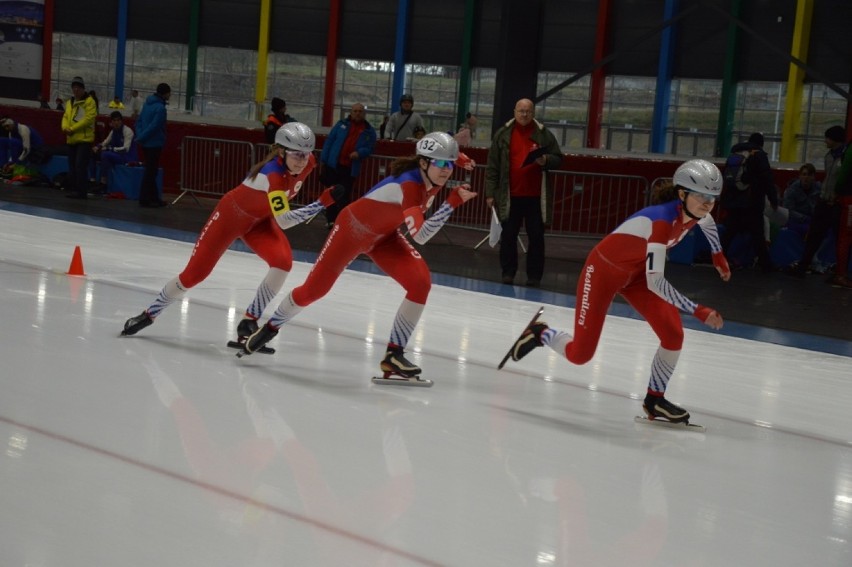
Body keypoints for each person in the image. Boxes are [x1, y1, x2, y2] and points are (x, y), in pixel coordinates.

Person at [239, 132, 478, 385]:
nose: (446, 171)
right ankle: (269, 329)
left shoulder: (431, 170)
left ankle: (393, 355)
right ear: (423, 163)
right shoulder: (409, 185)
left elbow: (446, 159)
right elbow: (420, 235)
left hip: (384, 236)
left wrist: (459, 158)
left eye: (450, 165)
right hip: (351, 230)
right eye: (441, 164)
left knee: (420, 283)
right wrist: (451, 203)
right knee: (313, 291)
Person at [504, 159, 731, 425]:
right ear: (682, 194)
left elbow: (709, 224)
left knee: (673, 334)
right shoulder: (661, 222)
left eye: (713, 198)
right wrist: (697, 310)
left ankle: (654, 400)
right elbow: (657, 281)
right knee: (580, 355)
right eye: (702, 196)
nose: (707, 204)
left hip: (635, 276)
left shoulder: (698, 214)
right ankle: (540, 332)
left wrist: (718, 255)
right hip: (602, 272)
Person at [121, 123, 348, 345]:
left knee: (283, 263)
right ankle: (149, 314)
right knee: (195, 274)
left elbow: (281, 211)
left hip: (259, 221)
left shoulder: (309, 163)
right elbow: (285, 221)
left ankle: (249, 321)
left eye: (307, 154)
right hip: (230, 218)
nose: (302, 160)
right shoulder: (272, 176)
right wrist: (322, 203)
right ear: (281, 151)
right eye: (297, 154)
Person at [485, 98, 562, 287]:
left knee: (536, 237)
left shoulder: (544, 134)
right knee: (508, 235)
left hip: (535, 196)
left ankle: (534, 277)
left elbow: (559, 158)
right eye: (521, 111)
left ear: (533, 112)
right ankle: (508, 273)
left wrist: (546, 160)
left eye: (528, 111)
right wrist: (490, 193)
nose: (524, 114)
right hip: (509, 196)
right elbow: (492, 166)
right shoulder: (502, 134)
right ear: (514, 112)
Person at [787, 126, 847, 280]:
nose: (825, 141)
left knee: (838, 236)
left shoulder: (844, 158)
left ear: (834, 139)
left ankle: (839, 270)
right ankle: (804, 266)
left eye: (828, 138)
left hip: (837, 203)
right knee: (814, 234)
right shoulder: (830, 156)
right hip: (825, 200)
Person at [719, 133, 777, 271]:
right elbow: (767, 178)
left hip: (733, 200)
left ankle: (718, 257)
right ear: (761, 144)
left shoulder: (736, 152)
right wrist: (773, 198)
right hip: (751, 201)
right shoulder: (759, 155)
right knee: (757, 232)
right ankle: (765, 264)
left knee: (730, 231)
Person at [319, 102, 377, 227]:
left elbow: (370, 148)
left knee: (344, 195)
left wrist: (359, 153)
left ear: (364, 114)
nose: (357, 113)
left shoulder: (369, 131)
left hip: (350, 168)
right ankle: (331, 220)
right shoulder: (340, 125)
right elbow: (329, 141)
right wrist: (323, 159)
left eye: (360, 111)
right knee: (331, 193)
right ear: (351, 112)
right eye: (355, 111)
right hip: (333, 165)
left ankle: (342, 221)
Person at [134, 82, 171, 207]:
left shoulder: (146, 104)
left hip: (145, 143)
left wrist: (140, 136)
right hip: (155, 143)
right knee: (150, 172)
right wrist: (143, 136)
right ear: (165, 93)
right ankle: (144, 199)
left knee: (151, 170)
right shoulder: (160, 108)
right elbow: (155, 126)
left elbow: (139, 121)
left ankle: (154, 198)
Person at [61, 76, 97, 199]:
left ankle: (81, 191)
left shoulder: (90, 102)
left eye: (78, 87)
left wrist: (72, 129)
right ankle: (74, 189)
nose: (75, 90)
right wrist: (65, 128)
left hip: (84, 140)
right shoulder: (69, 102)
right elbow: (65, 117)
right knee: (72, 166)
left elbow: (88, 119)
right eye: (74, 87)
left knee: (80, 166)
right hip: (71, 139)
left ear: (83, 89)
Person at [828, 129, 852, 288]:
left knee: (845, 237)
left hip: (849, 199)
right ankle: (840, 274)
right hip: (850, 200)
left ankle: (840, 273)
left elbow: (844, 175)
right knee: (845, 237)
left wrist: (838, 191)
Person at [91, 111, 136, 191]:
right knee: (93, 153)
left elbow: (126, 149)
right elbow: (105, 142)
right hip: (116, 155)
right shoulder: (113, 131)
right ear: (111, 122)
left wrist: (110, 149)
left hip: (127, 157)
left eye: (118, 120)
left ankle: (103, 184)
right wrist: (98, 147)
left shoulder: (128, 131)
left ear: (121, 121)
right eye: (114, 121)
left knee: (105, 155)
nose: (116, 123)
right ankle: (92, 180)